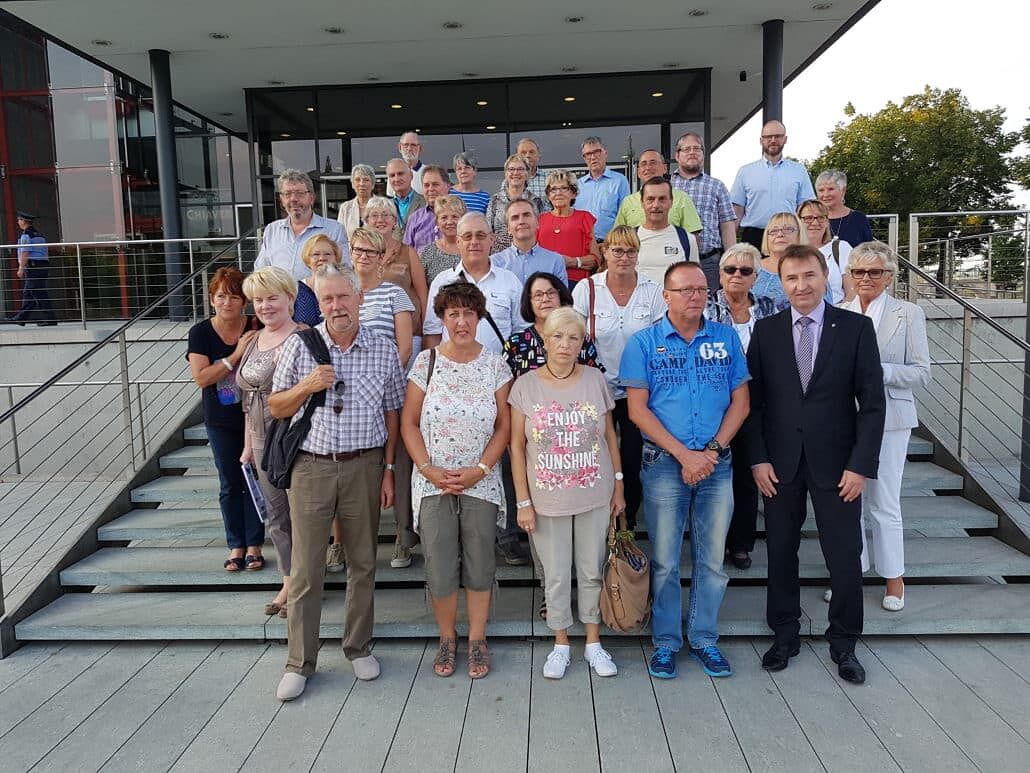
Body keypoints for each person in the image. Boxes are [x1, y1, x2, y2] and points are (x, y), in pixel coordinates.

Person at [746, 244, 885, 685]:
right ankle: (784, 635)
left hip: (839, 466)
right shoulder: (765, 332)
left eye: (809, 275)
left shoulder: (856, 328)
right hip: (780, 465)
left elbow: (873, 405)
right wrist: (759, 460)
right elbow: (754, 405)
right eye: (791, 278)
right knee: (781, 553)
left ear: (826, 275)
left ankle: (844, 643)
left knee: (844, 557)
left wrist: (861, 465)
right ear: (781, 283)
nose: (801, 285)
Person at [270, 263, 405, 701]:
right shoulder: (300, 346)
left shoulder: (383, 348)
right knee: (307, 569)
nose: (336, 306)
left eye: (343, 297)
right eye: (327, 299)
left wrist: (387, 470)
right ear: (318, 302)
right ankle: (299, 662)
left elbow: (393, 412)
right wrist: (308, 385)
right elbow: (275, 406)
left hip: (364, 465)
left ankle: (358, 646)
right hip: (311, 467)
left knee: (363, 561)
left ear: (359, 298)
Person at [622, 261, 750, 680]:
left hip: (717, 464)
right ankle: (665, 643)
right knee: (665, 560)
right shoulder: (642, 343)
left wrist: (710, 452)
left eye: (700, 288)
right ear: (666, 295)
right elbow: (637, 411)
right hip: (663, 465)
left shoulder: (726, 337)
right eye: (685, 290)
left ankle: (704, 638)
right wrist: (684, 455)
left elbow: (741, 403)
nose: (695, 295)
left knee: (712, 561)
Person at [401, 281, 512, 679]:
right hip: (432, 481)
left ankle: (477, 638)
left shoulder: (496, 364)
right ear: (443, 318)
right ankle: (447, 637)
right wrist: (428, 467)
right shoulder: (426, 362)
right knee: (441, 565)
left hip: (480, 480)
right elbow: (409, 423)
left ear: (479, 317)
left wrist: (480, 469)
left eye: (469, 313)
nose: (461, 321)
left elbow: (504, 426)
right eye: (453, 314)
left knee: (481, 563)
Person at [510, 307, 623, 679]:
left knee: (591, 570)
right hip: (547, 499)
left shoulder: (594, 379)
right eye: (558, 336)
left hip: (594, 492)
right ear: (545, 339)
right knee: (556, 574)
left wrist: (619, 483)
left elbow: (610, 436)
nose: (565, 344)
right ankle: (561, 643)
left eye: (574, 338)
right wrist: (523, 501)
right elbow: (516, 447)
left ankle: (593, 642)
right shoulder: (525, 386)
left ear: (581, 343)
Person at [423, 212, 530, 566]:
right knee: (460, 457)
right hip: (450, 384)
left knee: (505, 452)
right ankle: (455, 536)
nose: (473, 242)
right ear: (457, 240)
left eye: (480, 236)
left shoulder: (510, 281)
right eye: (466, 236)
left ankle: (508, 535)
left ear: (492, 238)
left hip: (496, 380)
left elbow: (518, 335)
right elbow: (432, 335)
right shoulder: (442, 280)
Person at [841, 241, 931, 611]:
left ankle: (894, 578)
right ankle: (852, 573)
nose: (866, 278)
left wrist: (879, 372)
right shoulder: (839, 311)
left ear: (889, 276)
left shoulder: (908, 313)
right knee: (848, 500)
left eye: (874, 272)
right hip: (846, 418)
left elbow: (923, 373)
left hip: (891, 419)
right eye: (859, 271)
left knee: (884, 499)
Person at [572, 226, 667, 529]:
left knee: (633, 456)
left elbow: (659, 343)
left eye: (631, 251)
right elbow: (574, 339)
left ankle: (628, 521)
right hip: (596, 390)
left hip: (639, 392)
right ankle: (598, 518)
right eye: (617, 250)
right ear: (605, 252)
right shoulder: (587, 289)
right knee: (596, 454)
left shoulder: (652, 291)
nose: (624, 257)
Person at [703, 243, 777, 570]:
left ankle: (741, 543)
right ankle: (713, 542)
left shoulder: (770, 307)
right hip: (717, 403)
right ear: (719, 275)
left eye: (745, 271)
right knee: (715, 476)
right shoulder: (706, 308)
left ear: (755, 277)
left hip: (759, 403)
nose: (736, 275)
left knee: (747, 478)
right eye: (730, 270)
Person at [237, 267, 305, 617]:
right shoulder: (251, 340)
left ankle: (306, 581)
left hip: (296, 441)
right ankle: (288, 579)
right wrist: (249, 445)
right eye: (258, 300)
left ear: (290, 298)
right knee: (277, 516)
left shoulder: (306, 337)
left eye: (272, 298)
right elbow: (249, 400)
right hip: (262, 440)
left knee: (301, 515)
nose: (264, 306)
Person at [186, 267, 262, 572]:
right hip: (220, 417)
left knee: (254, 477)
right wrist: (235, 355)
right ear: (211, 299)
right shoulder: (201, 332)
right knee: (229, 482)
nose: (227, 302)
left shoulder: (256, 324)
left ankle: (255, 542)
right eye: (221, 296)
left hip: (255, 415)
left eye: (234, 296)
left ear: (244, 300)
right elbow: (202, 378)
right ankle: (236, 543)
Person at [351, 226, 417, 568]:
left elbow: (404, 347)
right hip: (351, 398)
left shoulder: (394, 294)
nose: (362, 256)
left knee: (399, 466)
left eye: (370, 251)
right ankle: (342, 540)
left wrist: (381, 384)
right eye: (357, 249)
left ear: (381, 258)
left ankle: (403, 538)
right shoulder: (343, 293)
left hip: (390, 392)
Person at [730, 121, 815, 250]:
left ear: (785, 139)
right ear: (761, 140)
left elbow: (806, 208)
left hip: (788, 236)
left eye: (777, 136)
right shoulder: (745, 171)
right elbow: (737, 211)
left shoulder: (799, 171)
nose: (773, 140)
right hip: (753, 237)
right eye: (768, 137)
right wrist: (730, 245)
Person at [670, 133, 738, 290]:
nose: (692, 152)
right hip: (674, 259)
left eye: (697, 148)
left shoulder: (717, 186)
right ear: (677, 155)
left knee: (711, 308)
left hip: (709, 262)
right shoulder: (667, 185)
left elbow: (727, 225)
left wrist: (732, 260)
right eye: (686, 149)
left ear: (703, 154)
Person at [255, 169, 350, 280]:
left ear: (311, 198)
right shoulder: (271, 230)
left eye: (299, 193)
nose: (293, 199)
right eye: (287, 194)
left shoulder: (334, 230)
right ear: (281, 200)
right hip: (280, 296)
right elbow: (260, 271)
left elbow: (345, 271)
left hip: (317, 296)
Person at [505, 272, 603, 376]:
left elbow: (595, 380)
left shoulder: (579, 338)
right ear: (529, 302)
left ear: (561, 297)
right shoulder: (515, 344)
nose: (545, 299)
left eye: (551, 293)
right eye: (538, 295)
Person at [365, 196, 428, 354]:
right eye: (374, 215)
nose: (381, 220)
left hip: (410, 334)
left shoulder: (408, 252)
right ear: (366, 221)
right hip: (373, 337)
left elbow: (422, 294)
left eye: (386, 215)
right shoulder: (361, 255)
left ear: (394, 221)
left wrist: (427, 332)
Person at [613, 149, 702, 236]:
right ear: (638, 172)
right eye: (643, 164)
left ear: (664, 168)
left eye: (653, 163)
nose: (648, 167)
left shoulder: (682, 198)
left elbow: (693, 237)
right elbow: (618, 235)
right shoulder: (628, 201)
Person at [537, 170, 601, 287]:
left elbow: (595, 259)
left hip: (576, 284)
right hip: (545, 283)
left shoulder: (584, 218)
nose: (558, 193)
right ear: (548, 195)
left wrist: (573, 262)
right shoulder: (539, 220)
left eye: (564, 188)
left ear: (573, 193)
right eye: (553, 189)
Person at [635, 177, 699, 286]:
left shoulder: (687, 240)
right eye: (650, 199)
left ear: (671, 202)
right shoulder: (630, 238)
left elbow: (695, 280)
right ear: (642, 202)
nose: (656, 205)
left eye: (662, 199)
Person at [490, 199, 567, 285]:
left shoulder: (555, 261)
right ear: (508, 229)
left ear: (537, 223)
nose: (521, 221)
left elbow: (562, 297)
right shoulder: (495, 263)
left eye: (526, 215)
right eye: (515, 217)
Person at [485, 154, 545, 252]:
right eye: (511, 169)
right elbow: (487, 231)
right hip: (499, 257)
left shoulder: (535, 201)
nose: (516, 173)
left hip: (527, 254)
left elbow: (541, 230)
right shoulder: (495, 200)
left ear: (527, 174)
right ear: (506, 174)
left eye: (520, 169)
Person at [576, 137, 630, 241]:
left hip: (610, 244)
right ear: (584, 158)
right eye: (588, 154)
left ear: (605, 153)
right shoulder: (577, 185)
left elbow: (625, 215)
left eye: (597, 152)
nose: (593, 157)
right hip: (582, 244)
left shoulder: (620, 181)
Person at [798, 199, 850, 304]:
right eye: (808, 218)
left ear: (827, 222)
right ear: (798, 221)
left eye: (821, 218)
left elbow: (852, 293)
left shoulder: (841, 248)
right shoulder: (791, 252)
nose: (815, 222)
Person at [8, 211, 56, 326]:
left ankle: (50, 319)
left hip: (34, 266)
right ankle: (21, 317)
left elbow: (25, 253)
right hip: (42, 266)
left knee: (37, 292)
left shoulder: (26, 235)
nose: (18, 222)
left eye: (19, 220)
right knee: (29, 293)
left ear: (23, 221)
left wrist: (21, 268)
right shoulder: (39, 235)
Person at [754, 212, 808, 311]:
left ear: (800, 235)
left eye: (787, 229)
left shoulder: (811, 269)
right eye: (774, 230)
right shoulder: (751, 268)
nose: (780, 234)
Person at [418, 193, 466, 288]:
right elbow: (420, 289)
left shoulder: (472, 249)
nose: (449, 222)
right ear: (437, 222)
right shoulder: (427, 252)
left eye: (455, 217)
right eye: (444, 217)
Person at [816, 170, 874, 247]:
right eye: (821, 190)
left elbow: (869, 250)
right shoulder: (812, 220)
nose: (825, 194)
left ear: (843, 190)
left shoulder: (859, 219)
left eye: (831, 189)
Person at [294, 234, 342, 326]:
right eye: (316, 254)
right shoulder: (295, 289)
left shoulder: (345, 287)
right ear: (308, 259)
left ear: (336, 258)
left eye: (327, 254)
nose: (322, 258)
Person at [404, 165, 453, 253]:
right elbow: (406, 253)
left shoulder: (461, 216)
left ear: (448, 186)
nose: (430, 189)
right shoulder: (414, 218)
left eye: (435, 184)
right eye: (426, 185)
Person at [336, 163, 378, 240]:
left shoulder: (382, 206)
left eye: (366, 180)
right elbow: (340, 237)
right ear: (352, 184)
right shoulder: (345, 208)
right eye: (357, 180)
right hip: (352, 251)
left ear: (373, 184)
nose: (361, 184)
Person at [387, 158, 426, 231]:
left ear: (411, 175)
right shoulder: (384, 206)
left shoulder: (426, 204)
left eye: (400, 174)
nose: (396, 179)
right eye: (392, 175)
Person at [515, 137, 549, 204]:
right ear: (517, 156)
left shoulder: (549, 179)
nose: (528, 155)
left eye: (531, 152)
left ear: (538, 155)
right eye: (523, 153)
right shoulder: (509, 181)